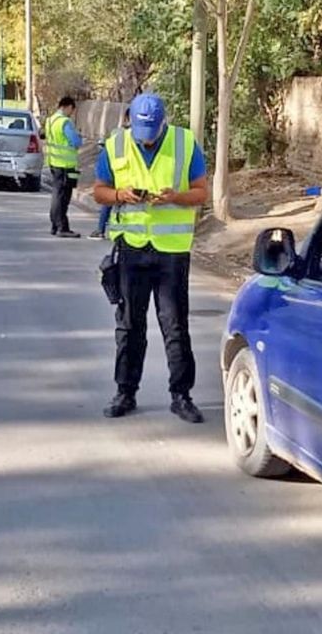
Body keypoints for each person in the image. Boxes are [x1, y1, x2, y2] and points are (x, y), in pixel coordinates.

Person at [92, 93, 209, 423]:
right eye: (141, 132)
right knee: (129, 325)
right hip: (131, 248)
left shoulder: (185, 143)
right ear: (130, 120)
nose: (146, 140)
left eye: (152, 133)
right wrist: (119, 195)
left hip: (171, 253)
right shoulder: (116, 145)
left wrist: (177, 197)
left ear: (163, 123)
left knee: (175, 325)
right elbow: (98, 190)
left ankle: (181, 395)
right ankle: (125, 392)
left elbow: (201, 192)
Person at [90, 108, 132, 240]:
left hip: (118, 172)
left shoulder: (117, 133)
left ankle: (101, 229)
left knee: (109, 201)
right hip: (129, 174)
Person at [45, 96, 83, 237]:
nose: (71, 113)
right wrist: (79, 137)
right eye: (72, 110)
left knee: (56, 195)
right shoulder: (65, 122)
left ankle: (55, 225)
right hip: (66, 165)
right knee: (63, 198)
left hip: (54, 163)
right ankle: (62, 227)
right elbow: (75, 142)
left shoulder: (50, 121)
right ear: (67, 107)